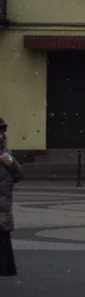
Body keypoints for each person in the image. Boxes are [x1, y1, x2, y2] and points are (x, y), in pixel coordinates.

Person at [0, 117, 24, 278]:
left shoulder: (7, 155)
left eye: (0, 133)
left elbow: (19, 175)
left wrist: (12, 164)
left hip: (1, 213)